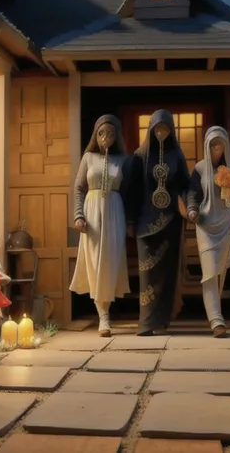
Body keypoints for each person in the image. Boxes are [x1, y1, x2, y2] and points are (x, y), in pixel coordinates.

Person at [132, 109, 195, 336]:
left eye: (165, 129)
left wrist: (188, 205)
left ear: (171, 131)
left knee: (167, 275)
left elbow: (187, 185)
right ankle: (146, 323)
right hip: (145, 224)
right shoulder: (140, 156)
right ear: (150, 129)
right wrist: (131, 220)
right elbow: (133, 190)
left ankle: (162, 321)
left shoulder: (177, 156)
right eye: (157, 129)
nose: (161, 133)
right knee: (147, 273)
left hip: (170, 222)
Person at [70, 115, 132, 337]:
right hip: (92, 211)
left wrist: (130, 222)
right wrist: (78, 215)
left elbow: (128, 193)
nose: (106, 137)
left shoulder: (123, 160)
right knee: (95, 261)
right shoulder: (88, 157)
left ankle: (107, 309)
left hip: (115, 211)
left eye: (111, 133)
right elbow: (78, 188)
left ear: (117, 137)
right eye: (102, 133)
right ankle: (103, 316)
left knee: (111, 262)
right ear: (96, 135)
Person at [187, 125, 230, 338]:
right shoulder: (199, 169)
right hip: (205, 226)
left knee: (219, 273)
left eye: (220, 145)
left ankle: (216, 314)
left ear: (226, 146)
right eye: (213, 144)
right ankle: (216, 320)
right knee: (209, 273)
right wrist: (192, 210)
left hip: (226, 226)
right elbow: (193, 193)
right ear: (206, 145)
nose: (216, 149)